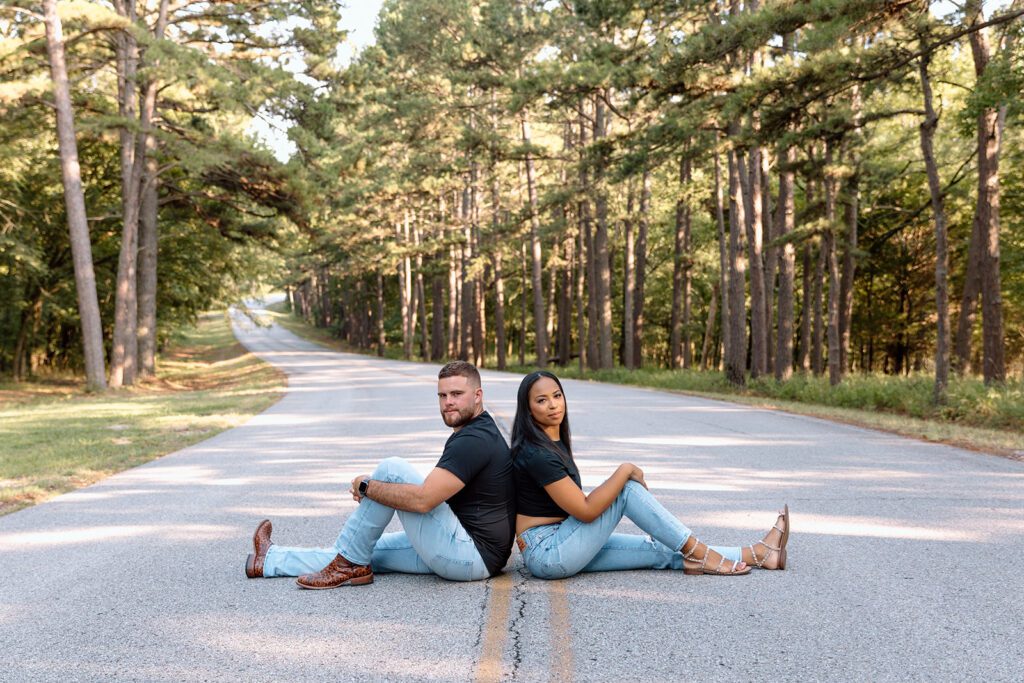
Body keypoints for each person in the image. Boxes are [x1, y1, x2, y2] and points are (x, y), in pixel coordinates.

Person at [244, 360, 515, 588]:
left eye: (457, 394)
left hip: (468, 554)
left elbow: (424, 500)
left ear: (478, 395)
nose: (448, 402)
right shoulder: (477, 431)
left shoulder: (474, 439)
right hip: (466, 550)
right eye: (443, 396)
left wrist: (368, 488)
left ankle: (349, 565)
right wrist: (378, 492)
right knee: (359, 548)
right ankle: (269, 560)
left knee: (391, 469)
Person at [512, 370, 790, 579]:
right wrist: (625, 469)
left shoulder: (551, 443)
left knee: (655, 548)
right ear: (529, 409)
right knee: (627, 490)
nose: (553, 405)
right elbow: (585, 511)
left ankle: (760, 554)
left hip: (562, 541)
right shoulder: (537, 454)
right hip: (547, 551)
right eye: (542, 400)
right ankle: (703, 554)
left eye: (557, 396)